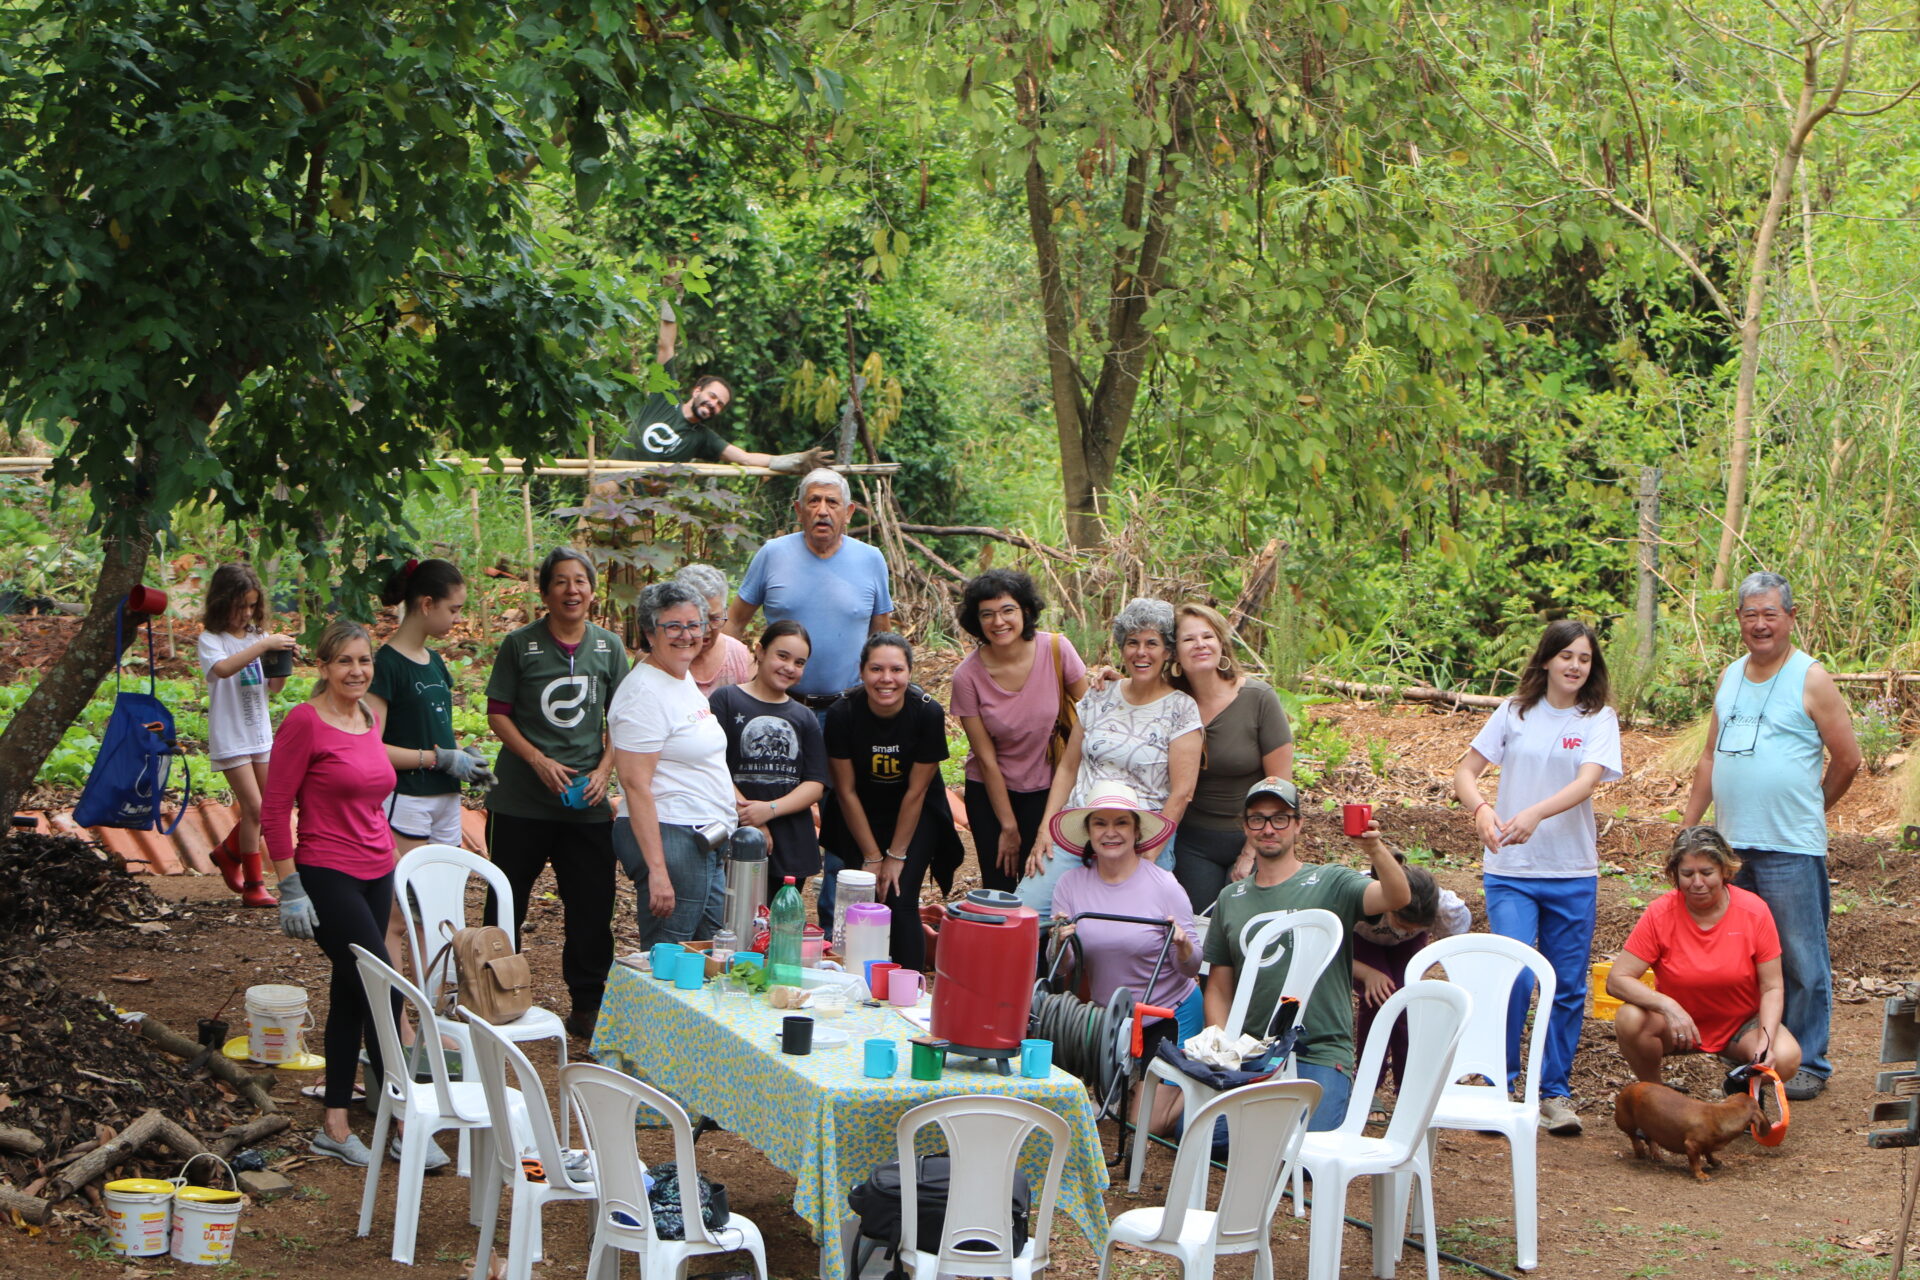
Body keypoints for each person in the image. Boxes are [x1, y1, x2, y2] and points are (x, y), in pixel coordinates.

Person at [263, 620, 443, 1171]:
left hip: (376, 869)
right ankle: (405, 1122)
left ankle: (336, 1124)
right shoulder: (304, 721)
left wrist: (439, 759)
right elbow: (275, 809)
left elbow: (375, 775)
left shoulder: (366, 717)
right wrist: (290, 886)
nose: (356, 671)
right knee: (384, 989)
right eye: (344, 661)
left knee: (352, 992)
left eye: (364, 661)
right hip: (326, 872)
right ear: (322, 666)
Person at [1682, 570, 1860, 1102]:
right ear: (1738, 620)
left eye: (1770, 614)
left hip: (1790, 846)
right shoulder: (1730, 676)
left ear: (1790, 618)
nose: (1760, 624)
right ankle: (1754, 1053)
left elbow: (1848, 759)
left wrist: (1811, 809)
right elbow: (1710, 757)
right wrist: (1690, 827)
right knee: (1742, 955)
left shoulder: (1811, 677)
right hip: (1731, 846)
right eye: (1750, 615)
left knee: (1801, 957)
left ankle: (1810, 1061)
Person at [1452, 618, 1623, 1137]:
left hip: (1571, 870)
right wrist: (1482, 809)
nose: (1575, 666)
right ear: (1547, 659)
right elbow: (1465, 771)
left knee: (1566, 984)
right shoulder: (1514, 712)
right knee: (1515, 976)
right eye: (1566, 656)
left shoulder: (1599, 718)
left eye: (1584, 659)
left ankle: (1553, 1093)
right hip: (1512, 870)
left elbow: (1587, 783)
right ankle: (1499, 1086)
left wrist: (1535, 813)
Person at [728, 468, 895, 927]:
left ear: (849, 511)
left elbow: (882, 637)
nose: (823, 511)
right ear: (798, 508)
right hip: (781, 709)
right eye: (814, 501)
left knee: (845, 811)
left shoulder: (870, 560)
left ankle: (835, 922)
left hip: (846, 709)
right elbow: (735, 622)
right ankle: (766, 918)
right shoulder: (773, 554)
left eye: (832, 502)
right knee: (781, 807)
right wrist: (721, 681)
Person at [1203, 777, 1410, 1131]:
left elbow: (1397, 897)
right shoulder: (1230, 898)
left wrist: (1375, 850)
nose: (1269, 828)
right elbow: (1219, 988)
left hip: (1320, 1050)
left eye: (1280, 818)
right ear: (1246, 828)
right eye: (1258, 819)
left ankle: (1324, 1104)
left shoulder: (1331, 881)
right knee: (1207, 1134)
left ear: (1298, 825)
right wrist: (1224, 1050)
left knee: (1306, 1143)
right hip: (1253, 1054)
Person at [484, 549, 629, 1041]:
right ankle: (490, 996)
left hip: (584, 803)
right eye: (561, 582)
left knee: (592, 907)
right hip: (520, 801)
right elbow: (498, 713)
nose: (572, 590)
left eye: (580, 581)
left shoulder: (608, 647)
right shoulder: (519, 644)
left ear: (592, 590)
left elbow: (622, 719)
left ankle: (588, 1005)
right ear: (545, 592)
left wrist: (604, 770)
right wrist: (537, 760)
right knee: (506, 900)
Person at [1019, 598, 1201, 924]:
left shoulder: (1181, 709)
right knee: (1024, 918)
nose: (1141, 652)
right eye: (1132, 642)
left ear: (1168, 652)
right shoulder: (1099, 695)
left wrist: (1148, 858)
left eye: (1151, 643)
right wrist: (1045, 828)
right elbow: (1069, 767)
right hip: (1080, 829)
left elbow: (1182, 793)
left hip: (1142, 838)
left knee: (1127, 931)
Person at [1046, 783, 1201, 1134]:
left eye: (1121, 823)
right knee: (1108, 1112)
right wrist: (1059, 943)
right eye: (1100, 823)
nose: (1110, 832)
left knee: (1146, 1124)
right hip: (1110, 1019)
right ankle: (1133, 1084)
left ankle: (1205, 1082)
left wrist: (1182, 946)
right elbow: (1063, 966)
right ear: (1088, 832)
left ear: (1136, 831)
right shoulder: (1070, 884)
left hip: (1168, 1012)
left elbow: (1191, 966)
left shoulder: (1164, 884)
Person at [367, 558, 493, 989]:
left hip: (445, 799)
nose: (458, 618)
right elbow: (373, 748)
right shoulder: (386, 664)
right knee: (400, 912)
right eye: (453, 609)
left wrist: (464, 759)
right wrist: (438, 759)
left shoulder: (435, 661)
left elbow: (436, 733)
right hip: (407, 800)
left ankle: (437, 1008)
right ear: (426, 604)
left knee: (439, 909)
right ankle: (397, 1015)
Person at [1608, 825, 1801, 1087]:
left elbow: (1772, 987)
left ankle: (1741, 1087)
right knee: (1629, 1018)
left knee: (1786, 1057)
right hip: (1679, 1026)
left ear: (1724, 871)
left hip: (1741, 1026)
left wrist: (1765, 1042)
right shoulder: (1660, 913)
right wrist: (1668, 1006)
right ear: (1675, 874)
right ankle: (1654, 1094)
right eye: (1687, 874)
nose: (1697, 883)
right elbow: (1617, 979)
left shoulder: (1754, 911)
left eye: (1707, 873)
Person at [823, 634, 963, 971]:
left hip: (916, 812)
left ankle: (907, 986)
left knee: (900, 898)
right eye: (876, 669)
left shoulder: (926, 712)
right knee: (864, 895)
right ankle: (860, 982)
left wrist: (896, 856)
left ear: (909, 672)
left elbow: (916, 792)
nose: (886, 679)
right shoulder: (843, 712)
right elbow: (845, 791)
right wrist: (872, 856)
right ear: (861, 671)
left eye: (896, 669)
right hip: (859, 811)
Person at [610, 581, 737, 946]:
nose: (687, 635)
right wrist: (658, 871)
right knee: (669, 953)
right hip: (672, 837)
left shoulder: (679, 678)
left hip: (703, 836)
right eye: (674, 626)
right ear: (651, 633)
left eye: (694, 625)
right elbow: (635, 784)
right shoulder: (643, 693)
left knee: (709, 948)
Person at [951, 570, 1088, 894]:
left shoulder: (1056, 649)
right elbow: (986, 759)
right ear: (977, 621)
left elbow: (1091, 713)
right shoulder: (967, 676)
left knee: (1041, 884)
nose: (998, 622)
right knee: (999, 887)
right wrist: (1008, 826)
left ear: (1025, 610)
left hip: (1048, 785)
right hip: (990, 792)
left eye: (1007, 610)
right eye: (987, 614)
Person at [1170, 602, 1294, 913]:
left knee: (1248, 926)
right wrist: (1112, 680)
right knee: (1200, 928)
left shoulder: (1258, 698)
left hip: (1255, 836)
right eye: (1188, 639)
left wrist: (1251, 852)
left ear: (1221, 643)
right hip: (1192, 843)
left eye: (1207, 636)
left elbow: (1280, 786)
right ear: (1175, 653)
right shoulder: (1169, 703)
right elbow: (1132, 693)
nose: (1200, 644)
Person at [610, 299, 831, 472]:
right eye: (712, 396)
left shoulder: (703, 438)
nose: (713, 404)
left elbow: (746, 458)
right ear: (697, 391)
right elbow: (665, 346)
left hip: (644, 504)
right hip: (612, 484)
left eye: (720, 404)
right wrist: (672, 298)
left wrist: (796, 460)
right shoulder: (663, 397)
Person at [197, 563, 295, 908]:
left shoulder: (256, 637)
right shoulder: (212, 640)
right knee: (254, 808)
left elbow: (275, 687)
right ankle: (255, 885)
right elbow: (223, 669)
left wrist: (282, 658)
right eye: (241, 606)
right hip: (231, 736)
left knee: (271, 808)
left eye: (253, 606)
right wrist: (265, 644)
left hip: (259, 734)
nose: (247, 614)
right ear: (222, 603)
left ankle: (228, 852)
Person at [710, 621, 829, 890]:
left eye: (799, 662)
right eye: (782, 656)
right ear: (760, 651)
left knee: (781, 913)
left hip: (790, 842)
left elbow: (815, 783)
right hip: (734, 833)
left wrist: (769, 810)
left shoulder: (804, 716)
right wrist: (750, 818)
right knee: (736, 909)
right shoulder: (726, 700)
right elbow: (712, 765)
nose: (789, 667)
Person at [1349, 861, 1473, 1091]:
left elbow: (1453, 945)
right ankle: (1367, 1081)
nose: (1404, 930)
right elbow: (1327, 948)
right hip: (1361, 938)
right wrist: (1366, 973)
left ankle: (1408, 1085)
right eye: (1402, 923)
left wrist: (1420, 963)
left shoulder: (1446, 908)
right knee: (1378, 997)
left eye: (1414, 927)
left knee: (1407, 1000)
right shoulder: (1358, 895)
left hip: (1407, 946)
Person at [675, 564, 755, 698]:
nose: (706, 629)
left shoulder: (741, 658)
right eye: (697, 621)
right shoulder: (660, 658)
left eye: (714, 619)